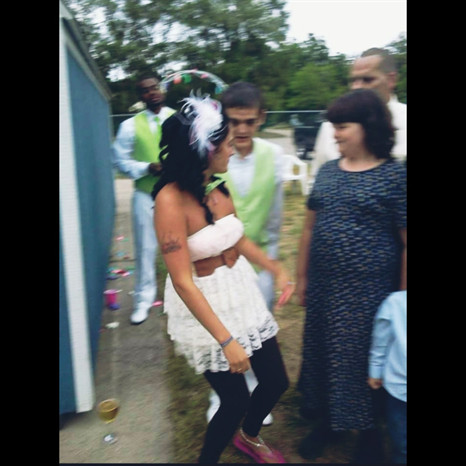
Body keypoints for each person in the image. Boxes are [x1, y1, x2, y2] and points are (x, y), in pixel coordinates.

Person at [152, 94, 294, 464]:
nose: (233, 150)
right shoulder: (169, 201)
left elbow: (237, 238)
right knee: (235, 401)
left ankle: (248, 436)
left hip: (240, 292)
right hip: (204, 303)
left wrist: (275, 268)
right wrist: (227, 341)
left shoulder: (217, 187)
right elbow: (182, 281)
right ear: (205, 150)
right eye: (227, 144)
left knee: (276, 381)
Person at [296, 89, 407, 462]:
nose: (335, 133)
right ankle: (330, 422)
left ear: (368, 127)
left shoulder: (394, 176)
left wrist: (402, 299)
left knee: (364, 362)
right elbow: (308, 228)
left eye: (342, 126)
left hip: (370, 295)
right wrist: (302, 278)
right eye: (334, 126)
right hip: (325, 289)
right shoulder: (327, 171)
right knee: (324, 353)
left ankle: (369, 434)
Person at [206, 81, 285, 425]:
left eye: (249, 121)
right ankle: (220, 394)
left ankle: (253, 384)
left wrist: (271, 263)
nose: (241, 129)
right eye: (233, 122)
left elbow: (275, 216)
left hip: (259, 258)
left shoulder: (274, 156)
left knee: (255, 329)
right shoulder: (212, 156)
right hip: (220, 263)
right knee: (223, 328)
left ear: (261, 118)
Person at [112, 74, 175, 324]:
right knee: (146, 249)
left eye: (155, 87)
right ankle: (143, 301)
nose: (152, 92)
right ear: (140, 96)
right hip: (145, 195)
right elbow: (119, 161)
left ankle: (181, 298)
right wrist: (145, 167)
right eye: (146, 90)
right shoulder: (129, 126)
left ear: (162, 89)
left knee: (179, 247)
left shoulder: (178, 118)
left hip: (176, 195)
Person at [311, 47, 407, 178]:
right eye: (353, 81)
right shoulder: (329, 128)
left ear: (391, 80)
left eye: (368, 80)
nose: (357, 87)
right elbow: (317, 179)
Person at [368, 290, 407, 464]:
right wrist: (375, 371)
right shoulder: (395, 303)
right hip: (399, 390)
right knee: (400, 441)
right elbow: (380, 342)